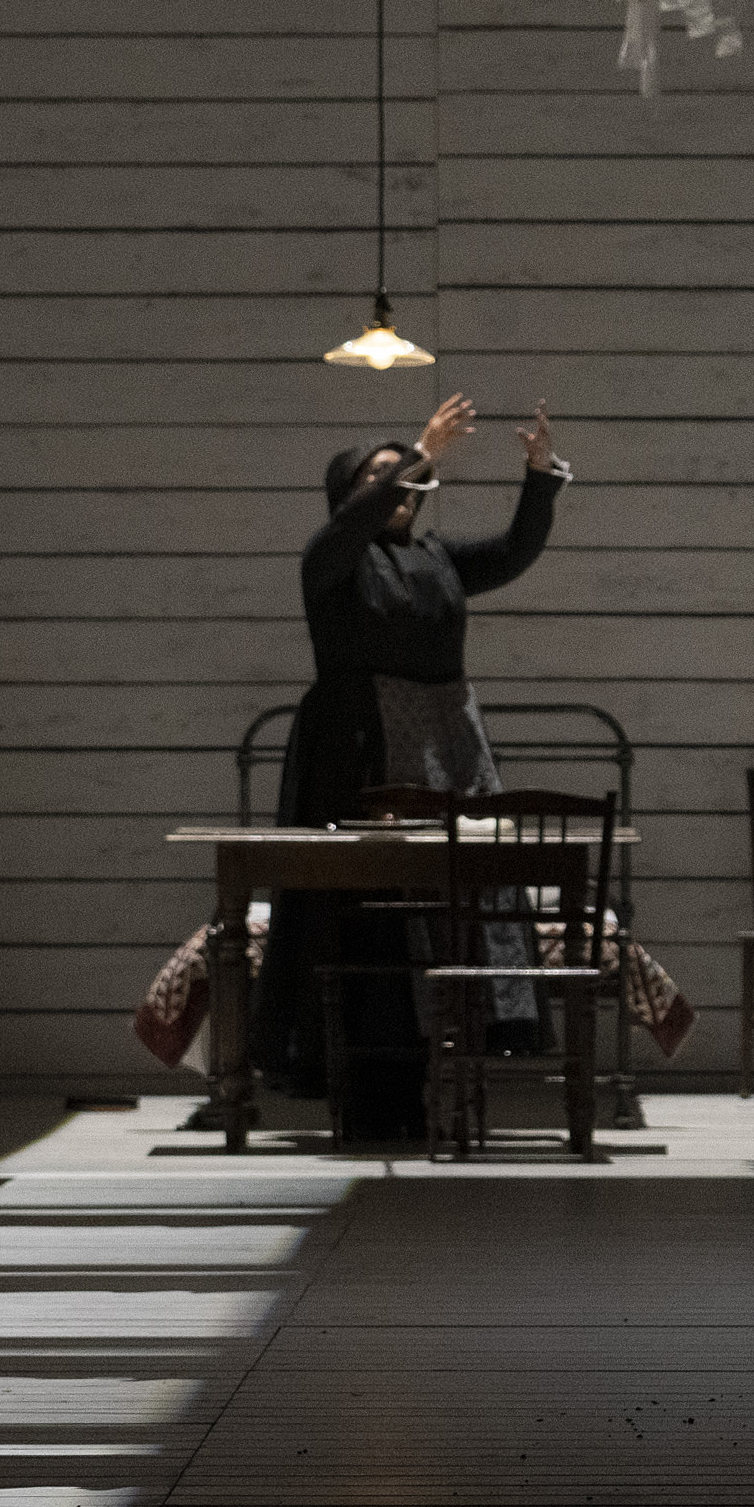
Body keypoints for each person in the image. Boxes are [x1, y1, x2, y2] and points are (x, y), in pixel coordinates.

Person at [248, 392, 569, 1138]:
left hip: (445, 745)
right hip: (359, 750)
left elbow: (514, 552)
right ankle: (366, 1089)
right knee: (369, 917)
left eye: (413, 476)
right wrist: (422, 452)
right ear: (347, 494)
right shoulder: (332, 558)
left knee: (453, 902)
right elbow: (348, 530)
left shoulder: (437, 558)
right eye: (382, 476)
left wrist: (539, 476)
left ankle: (443, 1072)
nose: (406, 485)